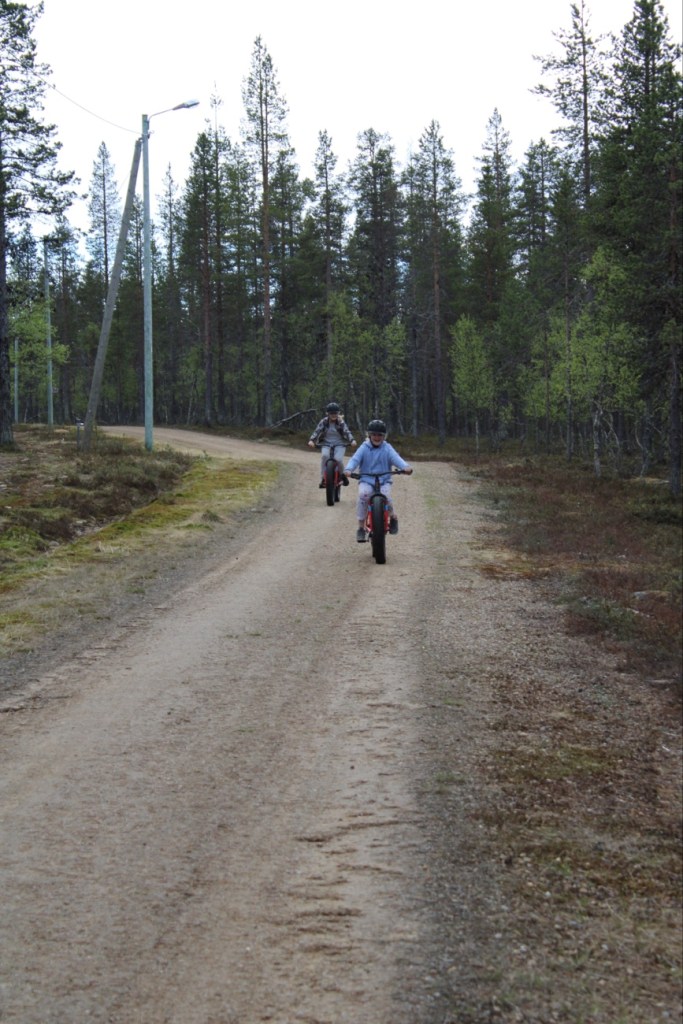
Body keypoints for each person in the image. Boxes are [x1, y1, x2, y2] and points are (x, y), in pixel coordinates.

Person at [344, 419, 413, 542]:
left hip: (384, 480)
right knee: (363, 495)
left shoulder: (387, 448)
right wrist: (348, 469)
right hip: (366, 479)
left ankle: (393, 517)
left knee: (386, 495)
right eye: (374, 434)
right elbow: (355, 459)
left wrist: (405, 467)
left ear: (384, 436)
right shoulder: (364, 447)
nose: (377, 437)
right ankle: (361, 527)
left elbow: (396, 458)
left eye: (380, 435)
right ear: (369, 435)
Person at [307, 402, 357, 487]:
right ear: (327, 414)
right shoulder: (324, 422)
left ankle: (343, 476)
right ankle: (323, 478)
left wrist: (352, 440)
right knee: (324, 456)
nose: (334, 415)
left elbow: (346, 431)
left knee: (338, 459)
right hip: (326, 443)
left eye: (336, 413)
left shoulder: (341, 422)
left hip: (340, 444)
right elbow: (317, 431)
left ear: (338, 413)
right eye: (331, 413)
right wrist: (312, 440)